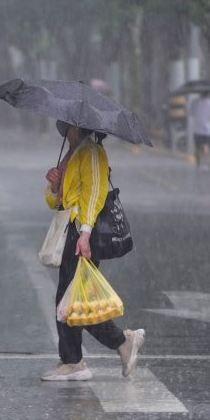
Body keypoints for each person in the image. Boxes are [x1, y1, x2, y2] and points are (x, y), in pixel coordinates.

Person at [41, 120, 145, 381]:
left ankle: (119, 342)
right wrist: (55, 185)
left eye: (66, 126)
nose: (63, 129)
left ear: (76, 128)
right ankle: (75, 359)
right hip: (72, 229)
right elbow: (59, 201)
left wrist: (85, 232)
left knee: (72, 300)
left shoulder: (93, 153)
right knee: (71, 298)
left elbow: (95, 194)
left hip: (83, 232)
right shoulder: (73, 154)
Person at [190, 90, 210, 168]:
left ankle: (198, 163)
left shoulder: (196, 102)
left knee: (197, 147)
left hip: (197, 128)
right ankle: (205, 163)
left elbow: (192, 113)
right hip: (206, 129)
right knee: (205, 146)